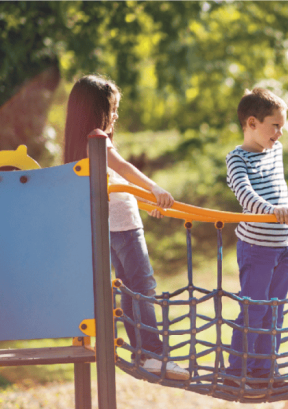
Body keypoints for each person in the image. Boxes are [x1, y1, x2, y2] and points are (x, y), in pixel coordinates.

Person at [63, 75, 189, 380]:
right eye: (112, 109)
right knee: (142, 287)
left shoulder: (80, 145)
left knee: (130, 289)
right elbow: (124, 169)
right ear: (96, 111)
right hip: (125, 229)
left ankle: (143, 353)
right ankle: (153, 354)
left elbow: (115, 189)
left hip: (109, 229)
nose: (116, 115)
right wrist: (154, 188)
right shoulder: (98, 139)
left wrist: (146, 203)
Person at [224, 88, 288, 392]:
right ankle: (236, 372)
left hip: (285, 245)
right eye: (275, 125)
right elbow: (246, 195)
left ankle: (265, 371)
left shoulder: (275, 151)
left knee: (275, 310)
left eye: (282, 126)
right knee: (254, 309)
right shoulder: (236, 159)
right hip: (257, 247)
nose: (280, 133)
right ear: (252, 123)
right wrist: (271, 210)